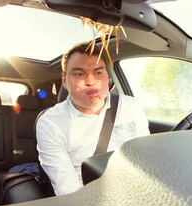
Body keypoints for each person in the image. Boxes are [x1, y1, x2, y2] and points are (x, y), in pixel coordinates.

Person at [36, 42, 150, 196]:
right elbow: (67, 189)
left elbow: (145, 161)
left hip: (133, 193)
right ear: (65, 81)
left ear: (107, 76)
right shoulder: (50, 122)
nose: (90, 81)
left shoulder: (131, 107)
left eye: (98, 73)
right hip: (85, 199)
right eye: (79, 74)